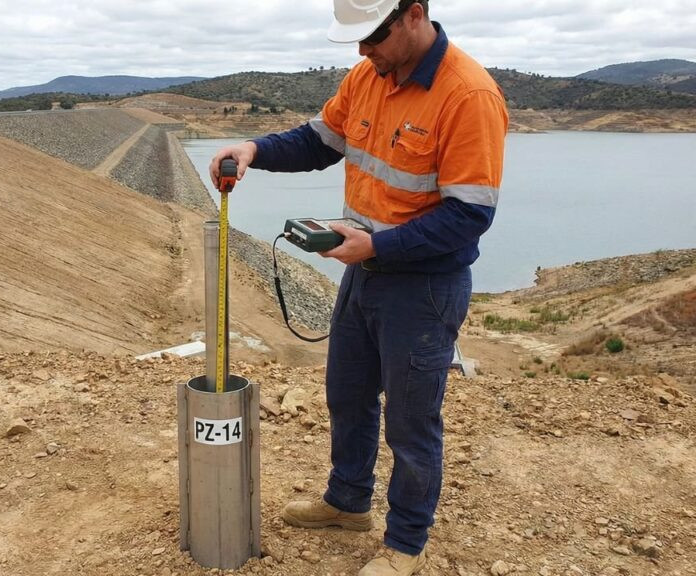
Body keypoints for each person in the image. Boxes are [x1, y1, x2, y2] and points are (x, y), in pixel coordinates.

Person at [209, 1, 507, 575]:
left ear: (414, 13)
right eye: (356, 40)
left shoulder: (469, 95)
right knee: (347, 396)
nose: (363, 51)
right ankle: (348, 503)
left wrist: (377, 245)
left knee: (411, 424)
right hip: (362, 274)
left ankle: (406, 543)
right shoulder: (367, 75)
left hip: (423, 287)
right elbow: (319, 142)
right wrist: (253, 150)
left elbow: (470, 215)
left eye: (372, 36)